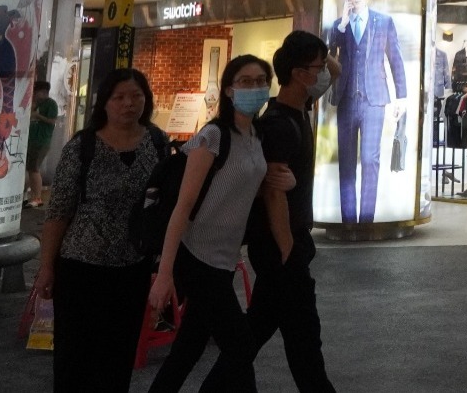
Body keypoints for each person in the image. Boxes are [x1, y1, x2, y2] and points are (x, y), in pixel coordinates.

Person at [147, 55, 291, 393]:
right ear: (228, 89)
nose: (255, 87)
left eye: (261, 81)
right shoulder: (213, 135)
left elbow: (245, 187)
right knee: (240, 346)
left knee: (188, 349)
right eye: (245, 81)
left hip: (225, 258)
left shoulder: (256, 136)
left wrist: (287, 181)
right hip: (196, 254)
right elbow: (182, 207)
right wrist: (165, 273)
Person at [212, 32, 340, 393]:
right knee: (304, 339)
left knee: (254, 333)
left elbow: (336, 71)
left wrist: (316, 49)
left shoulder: (301, 105)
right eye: (317, 67)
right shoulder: (280, 124)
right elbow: (273, 193)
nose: (324, 72)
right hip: (281, 246)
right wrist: (287, 249)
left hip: (284, 247)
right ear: (299, 74)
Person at [34, 68, 167, 393]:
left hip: (132, 268)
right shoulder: (83, 146)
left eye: (136, 96)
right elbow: (59, 211)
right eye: (119, 97)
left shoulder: (157, 142)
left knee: (118, 357)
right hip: (81, 268)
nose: (129, 104)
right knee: (74, 359)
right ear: (104, 102)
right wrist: (47, 266)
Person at [327, 0, 408, 223]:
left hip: (374, 100)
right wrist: (342, 24)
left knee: (370, 159)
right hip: (346, 100)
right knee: (347, 162)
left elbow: (395, 59)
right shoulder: (338, 27)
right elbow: (327, 54)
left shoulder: (383, 21)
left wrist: (402, 97)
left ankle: (366, 220)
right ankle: (349, 220)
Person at [25, 79, 60, 206]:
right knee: (30, 169)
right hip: (31, 140)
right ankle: (30, 195)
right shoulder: (36, 103)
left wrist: (37, 115)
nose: (35, 94)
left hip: (41, 141)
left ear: (44, 92)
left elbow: (52, 121)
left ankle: (37, 198)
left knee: (34, 168)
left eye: (37, 92)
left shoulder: (51, 104)